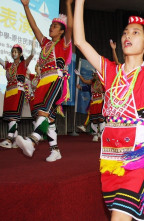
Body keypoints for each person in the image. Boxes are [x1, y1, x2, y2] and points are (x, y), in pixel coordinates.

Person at [74, 0, 144, 220]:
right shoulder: (109, 71)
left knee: (120, 215)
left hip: (138, 154)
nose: (127, 36)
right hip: (110, 155)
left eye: (135, 32)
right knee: (119, 211)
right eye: (125, 32)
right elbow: (80, 41)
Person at [16, 0, 73, 162]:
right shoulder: (46, 43)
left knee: (43, 112)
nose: (51, 28)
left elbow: (71, 27)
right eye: (51, 26)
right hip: (43, 82)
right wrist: (26, 7)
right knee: (48, 118)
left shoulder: (64, 43)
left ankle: (32, 141)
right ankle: (55, 150)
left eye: (55, 26)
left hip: (56, 80)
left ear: (62, 31)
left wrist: (68, 5)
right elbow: (34, 26)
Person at [0, 42, 35, 149]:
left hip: (18, 91)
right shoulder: (9, 65)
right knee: (10, 117)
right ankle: (15, 141)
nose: (14, 53)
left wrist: (33, 49)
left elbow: (32, 55)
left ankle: (9, 139)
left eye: (16, 52)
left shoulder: (23, 64)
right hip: (9, 91)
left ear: (20, 54)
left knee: (14, 117)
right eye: (12, 52)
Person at [75, 69, 105, 142]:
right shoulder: (91, 82)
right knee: (94, 119)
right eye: (93, 75)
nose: (94, 76)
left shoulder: (103, 82)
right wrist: (79, 75)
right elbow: (84, 81)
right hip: (93, 102)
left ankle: (101, 134)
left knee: (101, 119)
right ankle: (95, 134)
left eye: (95, 75)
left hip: (101, 102)